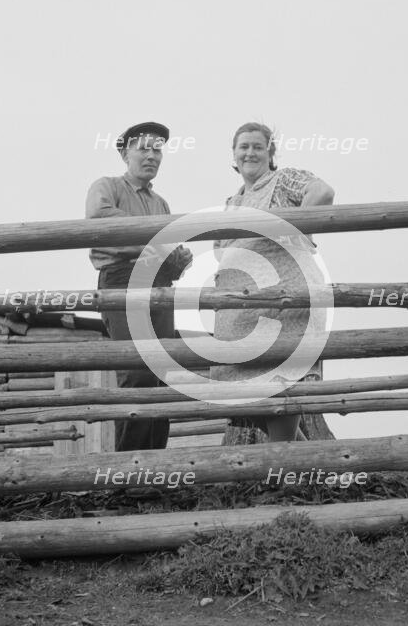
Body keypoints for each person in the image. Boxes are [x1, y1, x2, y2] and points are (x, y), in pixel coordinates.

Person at [211, 122, 334, 442]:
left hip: (281, 304)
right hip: (241, 315)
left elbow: (322, 192)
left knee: (280, 387)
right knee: (247, 395)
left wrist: (297, 228)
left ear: (270, 153)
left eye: (257, 146)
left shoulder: (282, 180)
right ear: (234, 156)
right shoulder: (233, 202)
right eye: (243, 147)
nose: (250, 152)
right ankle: (309, 467)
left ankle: (285, 477)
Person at [86, 121, 192, 451]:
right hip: (122, 280)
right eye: (143, 148)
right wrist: (156, 239)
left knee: (162, 374)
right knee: (137, 372)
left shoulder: (161, 203)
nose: (151, 155)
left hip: (158, 285)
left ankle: (154, 470)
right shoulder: (107, 187)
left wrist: (178, 258)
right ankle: (129, 472)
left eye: (157, 149)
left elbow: (167, 250)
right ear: (124, 153)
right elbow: (100, 219)